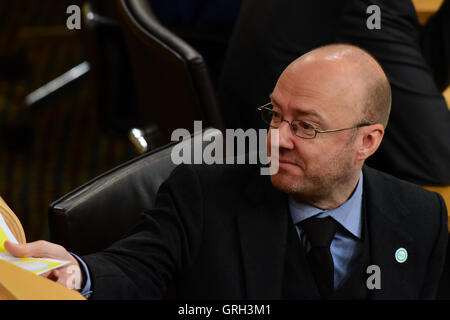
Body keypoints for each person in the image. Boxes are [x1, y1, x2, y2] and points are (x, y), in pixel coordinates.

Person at [4, 44, 448, 300]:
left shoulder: (420, 217)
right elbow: (140, 267)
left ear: (367, 141)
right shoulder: (206, 189)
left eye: (305, 127)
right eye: (275, 114)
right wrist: (79, 272)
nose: (276, 138)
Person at [218, 0, 450, 187]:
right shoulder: (367, 8)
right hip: (282, 190)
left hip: (245, 161)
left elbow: (411, 75)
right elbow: (435, 159)